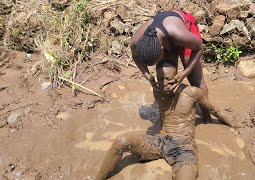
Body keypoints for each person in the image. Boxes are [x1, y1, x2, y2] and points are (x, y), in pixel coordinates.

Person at [95, 60, 233, 180]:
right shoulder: (158, 91)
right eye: (160, 79)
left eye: (168, 79)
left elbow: (214, 110)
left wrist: (235, 125)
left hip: (183, 146)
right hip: (160, 140)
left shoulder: (192, 93)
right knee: (121, 141)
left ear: (177, 77)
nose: (164, 83)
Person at [130, 9, 212, 122]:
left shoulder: (179, 34)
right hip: (165, 37)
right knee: (167, 80)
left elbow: (199, 47)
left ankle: (208, 118)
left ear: (162, 49)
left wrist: (185, 72)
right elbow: (135, 56)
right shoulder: (136, 42)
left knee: (195, 79)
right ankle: (169, 117)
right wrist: (147, 76)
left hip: (183, 28)